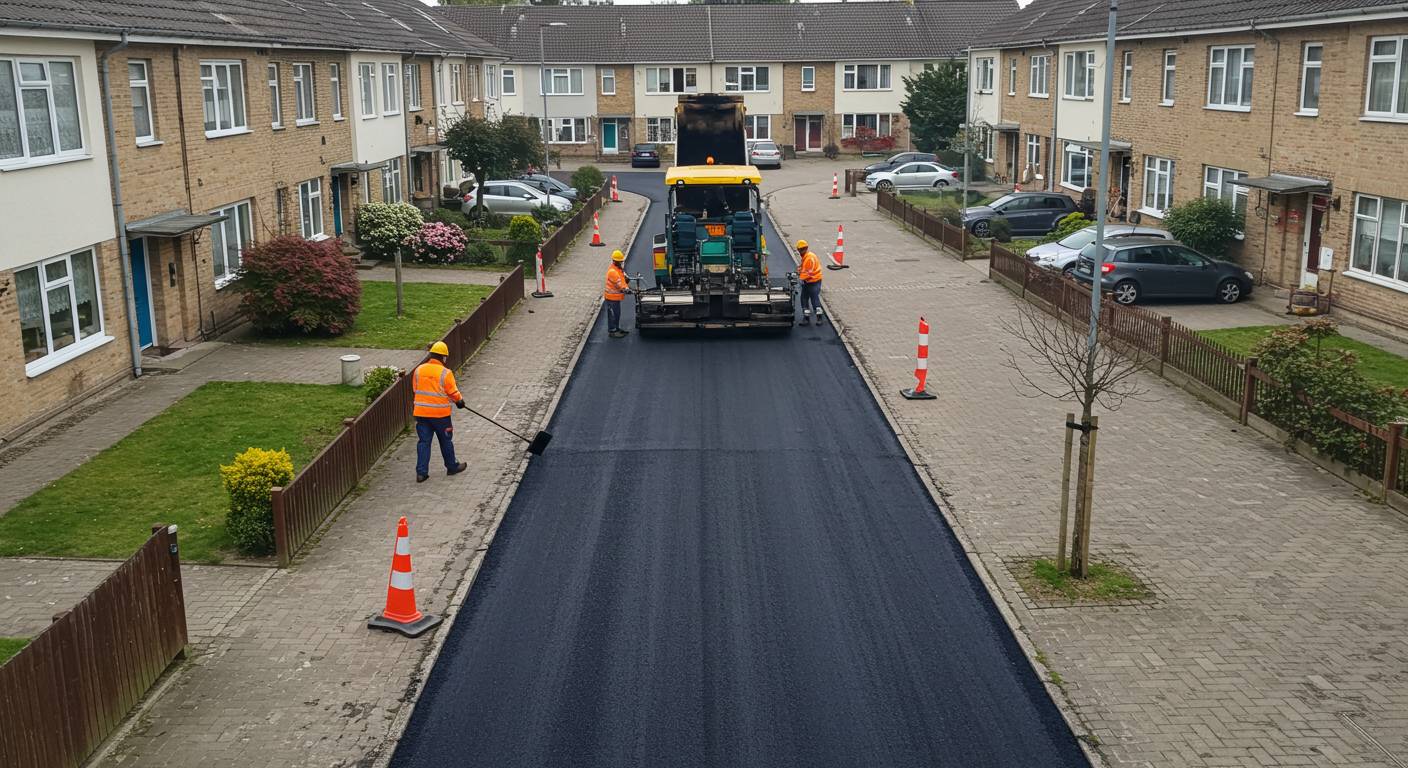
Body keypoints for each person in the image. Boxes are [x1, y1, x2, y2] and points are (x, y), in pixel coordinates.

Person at [412, 341, 468, 483]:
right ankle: (452, 467)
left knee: (424, 442)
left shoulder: (419, 370)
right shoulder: (445, 373)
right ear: (443, 357)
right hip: (440, 416)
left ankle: (421, 473)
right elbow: (452, 392)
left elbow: (415, 389)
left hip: (421, 413)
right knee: (445, 441)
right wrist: (459, 401)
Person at [796, 239, 825, 326]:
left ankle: (819, 317)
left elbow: (808, 272)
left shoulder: (809, 258)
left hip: (813, 281)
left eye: (801, 250)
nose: (800, 252)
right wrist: (799, 270)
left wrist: (799, 278)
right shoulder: (806, 256)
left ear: (805, 249)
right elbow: (803, 268)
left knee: (814, 299)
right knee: (804, 299)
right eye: (799, 250)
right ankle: (806, 317)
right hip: (809, 281)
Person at [605, 249, 631, 338]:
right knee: (613, 315)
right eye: (620, 262)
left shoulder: (618, 269)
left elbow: (623, 278)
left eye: (621, 261)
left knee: (617, 314)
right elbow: (620, 283)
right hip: (611, 298)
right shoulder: (612, 272)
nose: (621, 263)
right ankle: (612, 331)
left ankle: (616, 328)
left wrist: (627, 278)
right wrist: (626, 289)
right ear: (615, 261)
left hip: (615, 298)